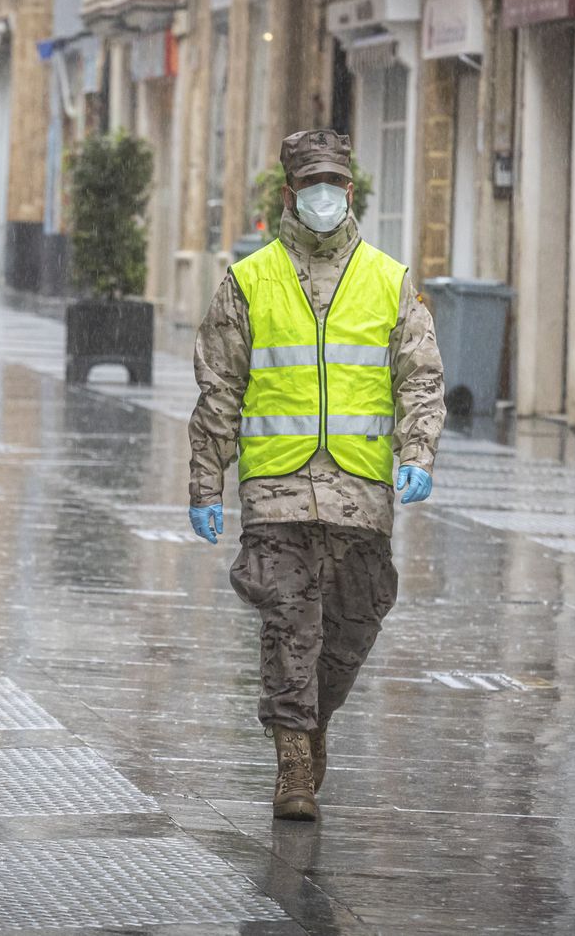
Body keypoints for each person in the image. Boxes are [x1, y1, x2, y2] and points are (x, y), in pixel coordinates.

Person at [187, 128, 446, 821]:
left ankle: (314, 717)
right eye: (312, 186)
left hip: (361, 492)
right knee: (288, 622)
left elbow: (420, 380)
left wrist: (417, 454)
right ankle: (293, 762)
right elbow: (219, 388)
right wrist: (205, 482)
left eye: (334, 184)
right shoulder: (248, 280)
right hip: (276, 494)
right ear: (291, 194)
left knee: (353, 625)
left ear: (350, 191)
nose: (324, 197)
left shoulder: (389, 280)